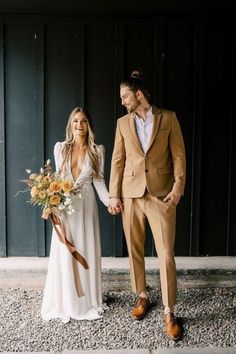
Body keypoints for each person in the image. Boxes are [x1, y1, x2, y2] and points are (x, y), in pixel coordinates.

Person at [108, 70, 186, 340]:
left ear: (138, 95)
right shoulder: (122, 123)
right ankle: (142, 296)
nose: (122, 102)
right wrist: (113, 195)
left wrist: (177, 191)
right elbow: (117, 161)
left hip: (161, 196)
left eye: (125, 96)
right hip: (130, 196)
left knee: (165, 254)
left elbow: (179, 156)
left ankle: (169, 310)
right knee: (135, 251)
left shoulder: (169, 118)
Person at [41, 106, 109, 323]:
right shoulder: (60, 148)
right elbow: (57, 180)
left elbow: (99, 183)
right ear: (70, 125)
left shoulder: (97, 151)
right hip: (65, 208)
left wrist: (112, 202)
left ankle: (87, 300)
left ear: (89, 125)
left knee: (85, 250)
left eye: (84, 121)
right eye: (75, 121)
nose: (79, 125)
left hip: (86, 207)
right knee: (65, 253)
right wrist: (48, 198)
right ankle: (66, 301)